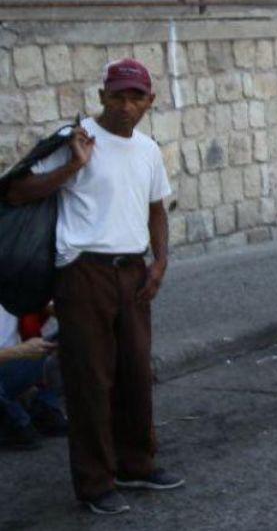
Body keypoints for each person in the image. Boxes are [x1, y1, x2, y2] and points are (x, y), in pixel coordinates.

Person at [4, 59, 182, 515]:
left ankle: (136, 465)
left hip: (133, 273)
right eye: (118, 96)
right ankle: (95, 484)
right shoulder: (74, 139)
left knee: (136, 373)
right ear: (101, 95)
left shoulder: (147, 149)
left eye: (136, 97)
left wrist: (159, 261)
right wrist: (71, 168)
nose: (126, 106)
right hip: (83, 274)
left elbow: (156, 209)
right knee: (90, 380)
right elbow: (15, 191)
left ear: (150, 101)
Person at [0, 307, 66, 450]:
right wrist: (19, 351)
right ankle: (15, 421)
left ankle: (42, 408)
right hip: (15, 357)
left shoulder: (10, 289)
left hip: (16, 363)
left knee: (75, 330)